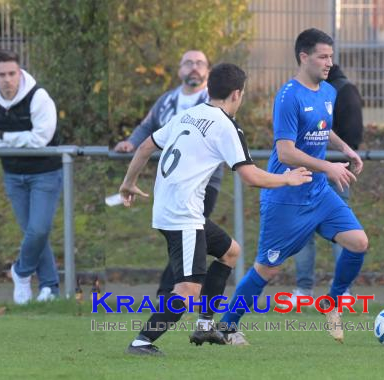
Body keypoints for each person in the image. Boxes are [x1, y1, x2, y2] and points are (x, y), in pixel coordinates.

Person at [119, 63, 312, 356]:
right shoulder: (225, 125)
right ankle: (142, 341)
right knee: (187, 291)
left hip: (177, 210)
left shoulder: (188, 113)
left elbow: (145, 146)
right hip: (182, 215)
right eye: (242, 95)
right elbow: (250, 177)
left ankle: (205, 325)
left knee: (230, 252)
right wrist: (287, 177)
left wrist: (128, 184)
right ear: (237, 94)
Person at [212, 28, 368, 345]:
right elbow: (285, 152)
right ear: (304, 57)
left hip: (318, 192)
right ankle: (226, 327)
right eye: (323, 56)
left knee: (358, 242)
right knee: (266, 270)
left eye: (331, 57)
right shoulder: (288, 96)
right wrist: (329, 166)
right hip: (286, 196)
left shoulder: (328, 92)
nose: (329, 63)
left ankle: (332, 302)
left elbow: (323, 127)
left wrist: (346, 150)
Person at [114, 50, 223, 297]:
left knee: (191, 233)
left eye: (199, 63)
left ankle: (170, 292)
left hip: (204, 182)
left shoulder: (214, 100)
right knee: (186, 237)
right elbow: (147, 128)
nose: (194, 67)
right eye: (188, 63)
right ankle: (187, 291)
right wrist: (131, 142)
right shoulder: (166, 100)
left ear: (208, 70)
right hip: (171, 181)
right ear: (179, 70)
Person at [0, 50, 62, 304]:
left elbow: (40, 139)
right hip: (13, 174)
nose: (7, 79)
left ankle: (21, 272)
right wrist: (15, 140)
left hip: (45, 172)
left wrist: (6, 137)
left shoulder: (39, 97)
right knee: (33, 233)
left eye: (12, 73)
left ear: (20, 72)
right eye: (1, 74)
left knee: (39, 229)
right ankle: (50, 288)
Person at [289, 63, 364, 302]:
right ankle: (340, 291)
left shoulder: (327, 93)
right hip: (330, 168)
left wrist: (336, 157)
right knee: (338, 230)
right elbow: (340, 132)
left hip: (324, 170)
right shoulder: (344, 91)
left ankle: (307, 290)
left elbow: (319, 130)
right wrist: (346, 152)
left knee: (314, 230)